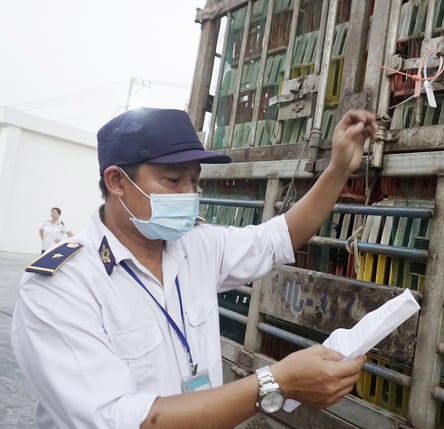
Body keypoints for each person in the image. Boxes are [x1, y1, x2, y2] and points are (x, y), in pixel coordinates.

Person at [11, 107, 377, 428]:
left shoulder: (195, 245)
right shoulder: (60, 286)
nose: (189, 193)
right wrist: (275, 383)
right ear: (117, 182)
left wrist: (338, 168)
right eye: (173, 180)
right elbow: (116, 419)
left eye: (194, 180)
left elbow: (278, 237)